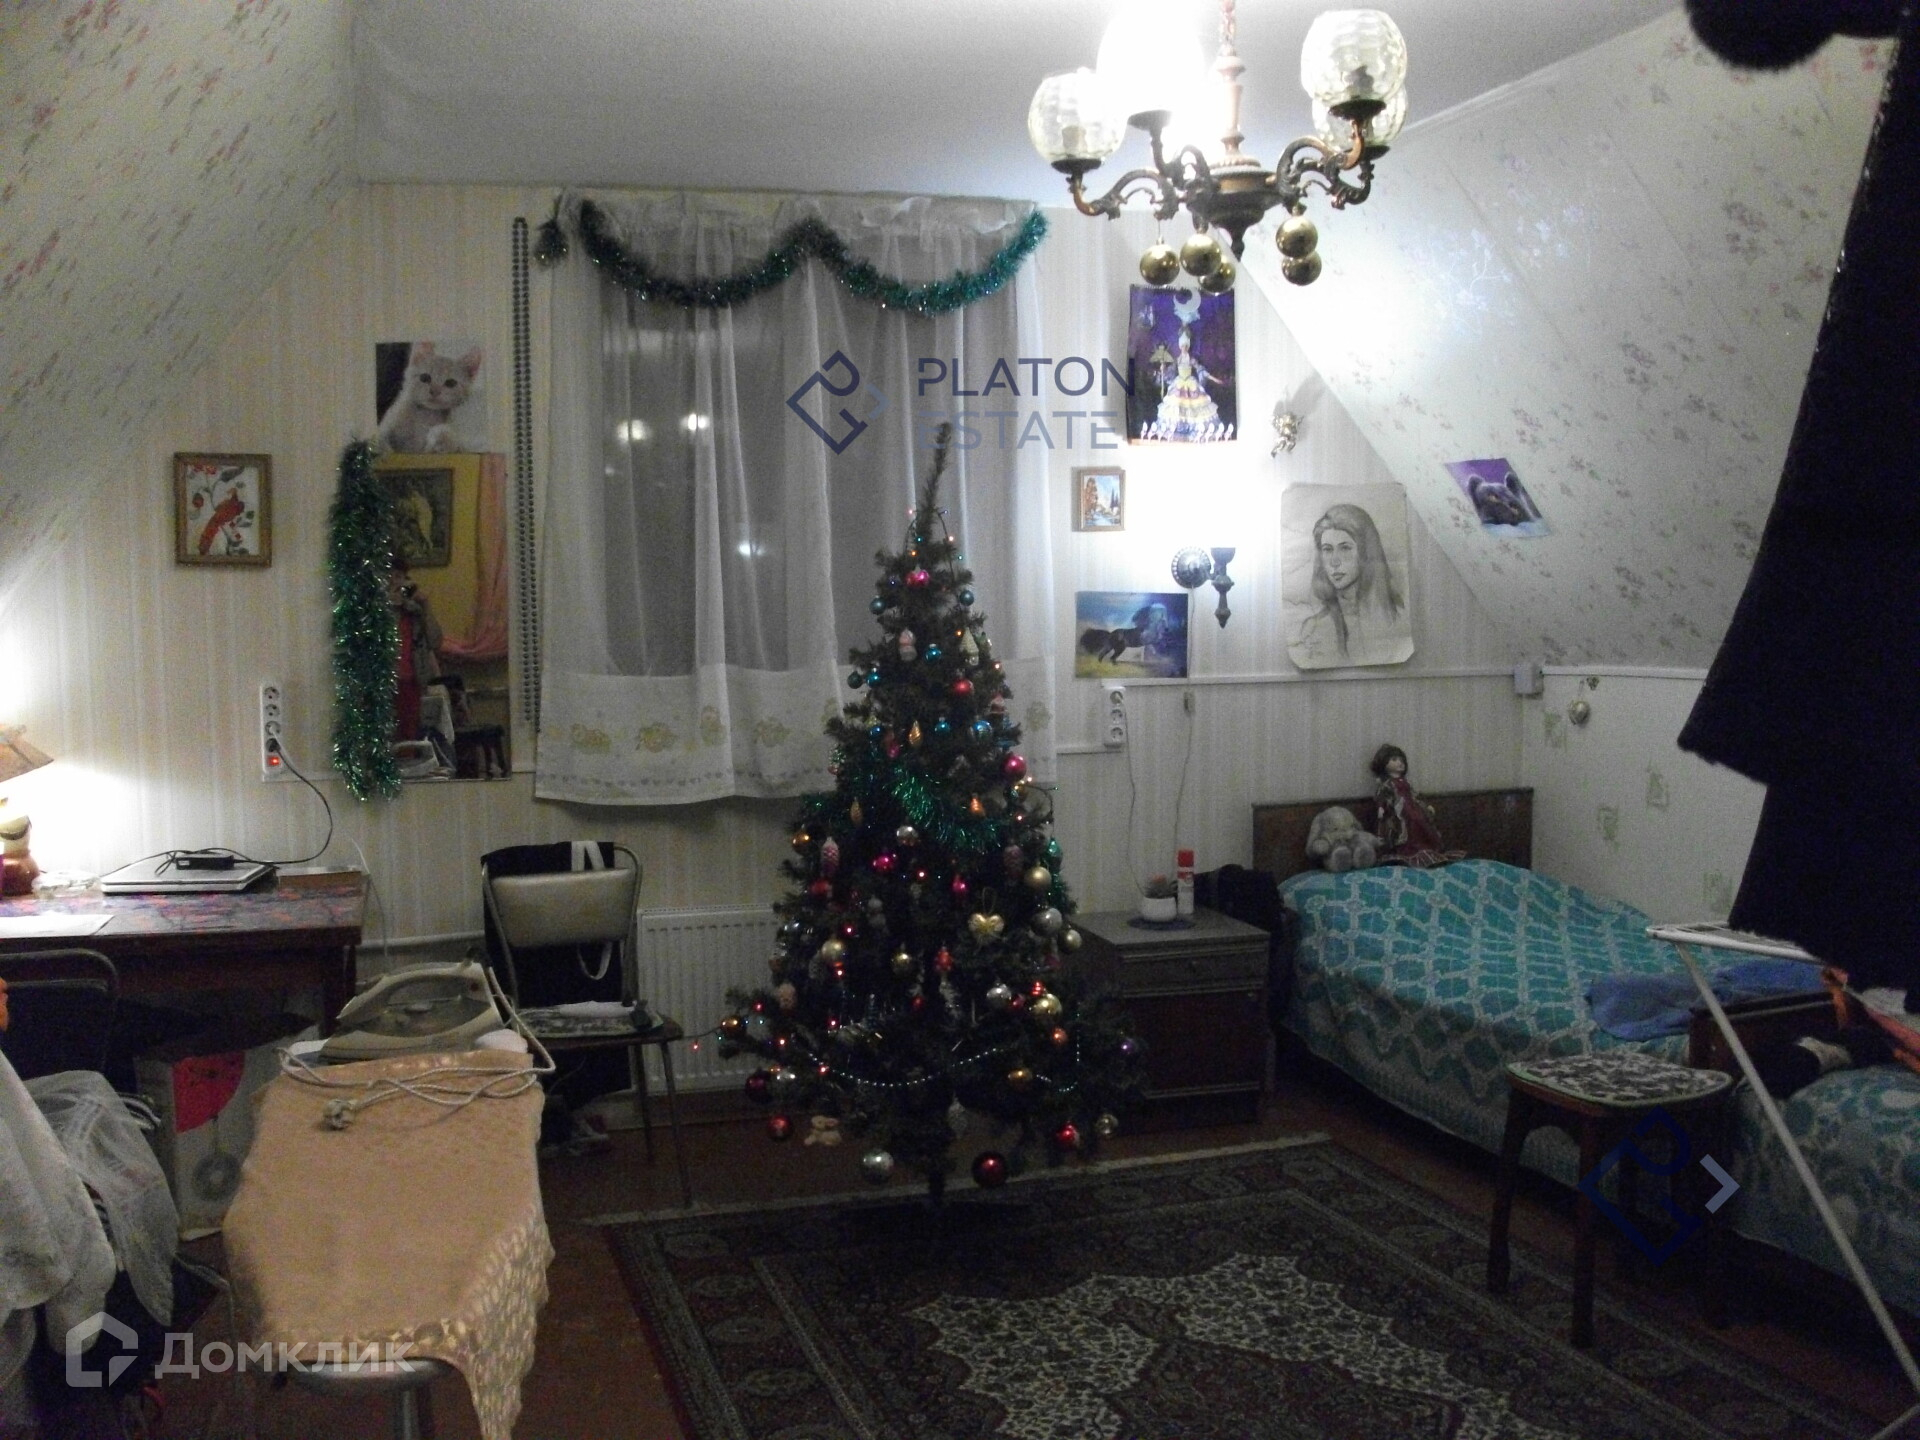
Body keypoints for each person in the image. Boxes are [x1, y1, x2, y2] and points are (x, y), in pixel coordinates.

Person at [1293, 503, 1407, 666]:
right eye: (1327, 549)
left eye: (1345, 548)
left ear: (1366, 552)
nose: (1334, 561)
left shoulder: (1398, 618)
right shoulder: (1314, 629)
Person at [1369, 743, 1462, 867]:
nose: (1400, 763)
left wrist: (1425, 806)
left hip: (1412, 806)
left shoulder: (1404, 781)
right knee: (1406, 824)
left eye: (1401, 760)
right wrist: (1381, 807)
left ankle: (1425, 847)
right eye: (1394, 760)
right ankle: (1406, 850)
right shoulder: (1388, 783)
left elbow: (1414, 794)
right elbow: (1382, 796)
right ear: (1383, 763)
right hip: (1399, 810)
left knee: (1421, 821)